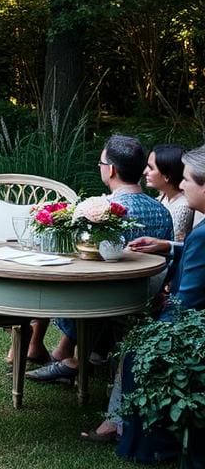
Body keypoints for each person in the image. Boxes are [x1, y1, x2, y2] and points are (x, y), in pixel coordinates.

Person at [83, 144, 205, 449]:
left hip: (188, 321)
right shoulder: (176, 216)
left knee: (134, 344)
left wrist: (160, 314)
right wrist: (167, 246)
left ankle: (125, 428)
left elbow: (186, 300)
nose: (183, 184)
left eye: (188, 179)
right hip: (177, 302)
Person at [26, 134, 174, 382]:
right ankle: (69, 354)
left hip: (106, 297)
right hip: (146, 294)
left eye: (101, 164)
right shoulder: (162, 210)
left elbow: (85, 261)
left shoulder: (104, 212)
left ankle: (62, 355)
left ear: (112, 169)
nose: (100, 168)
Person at [146, 144, 195, 241]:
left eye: (151, 168)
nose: (145, 172)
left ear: (167, 176)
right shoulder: (164, 197)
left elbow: (172, 241)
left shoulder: (182, 208)